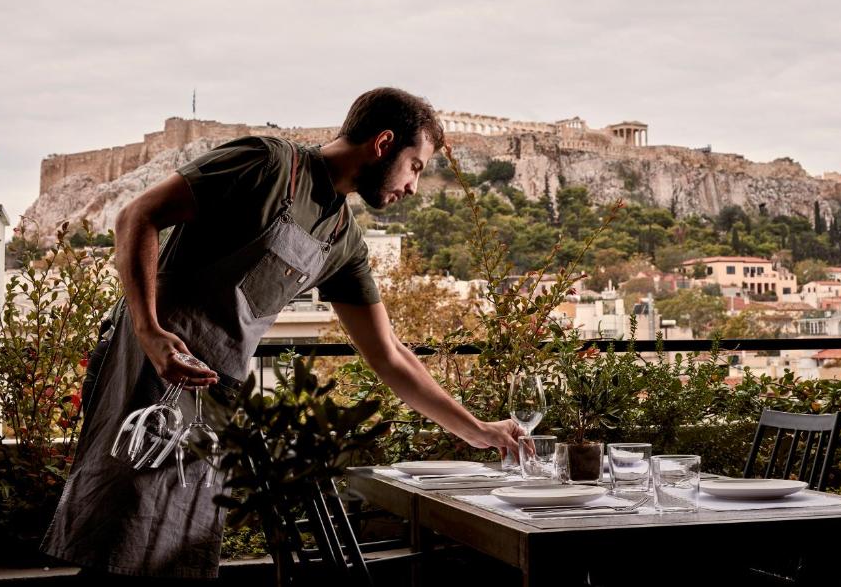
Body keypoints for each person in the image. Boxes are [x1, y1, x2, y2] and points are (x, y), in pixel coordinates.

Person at [41, 87, 521, 580]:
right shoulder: (266, 163)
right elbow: (136, 216)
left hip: (214, 393)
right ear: (382, 144)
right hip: (148, 366)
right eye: (415, 166)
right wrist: (150, 331)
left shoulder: (343, 238)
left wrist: (477, 431)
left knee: (172, 555)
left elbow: (389, 355)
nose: (414, 187)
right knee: (118, 545)